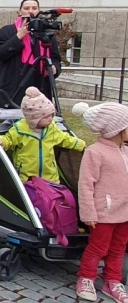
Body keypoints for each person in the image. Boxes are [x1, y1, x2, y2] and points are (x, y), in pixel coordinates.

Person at [71, 101, 128, 303]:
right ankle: (86, 277)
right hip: (104, 213)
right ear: (117, 129)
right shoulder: (95, 152)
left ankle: (113, 280)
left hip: (125, 213)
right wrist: (88, 213)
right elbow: (86, 185)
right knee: (98, 247)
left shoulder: (125, 151)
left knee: (118, 248)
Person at [0, 86, 85, 183]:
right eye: (46, 117)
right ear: (33, 119)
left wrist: (79, 144)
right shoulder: (20, 130)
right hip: (27, 178)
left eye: (51, 115)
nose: (50, 119)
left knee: (52, 196)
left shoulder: (52, 129)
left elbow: (65, 139)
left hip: (50, 177)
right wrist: (2, 141)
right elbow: (9, 139)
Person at [0, 0, 63, 107]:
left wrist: (54, 68)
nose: (30, 11)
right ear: (19, 12)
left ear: (39, 11)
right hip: (14, 88)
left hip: (41, 87)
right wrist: (18, 37)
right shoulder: (7, 31)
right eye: (26, 8)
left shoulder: (47, 34)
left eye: (34, 8)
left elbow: (55, 58)